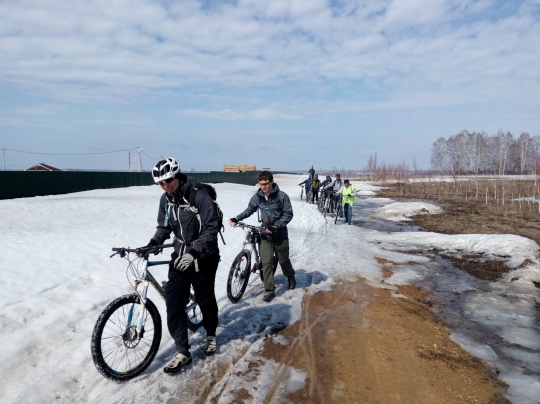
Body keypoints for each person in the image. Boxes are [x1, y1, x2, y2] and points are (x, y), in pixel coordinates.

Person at [142, 157, 221, 374]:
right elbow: (164, 227)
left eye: (168, 181)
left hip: (204, 257)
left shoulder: (199, 195)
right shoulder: (165, 200)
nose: (165, 186)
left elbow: (211, 229)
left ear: (177, 176)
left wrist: (194, 252)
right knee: (173, 303)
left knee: (205, 298)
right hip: (179, 256)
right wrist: (153, 243)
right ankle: (183, 352)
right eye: (160, 183)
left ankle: (211, 334)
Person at [229, 170, 296, 302]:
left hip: (280, 234)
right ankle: (269, 290)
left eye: (266, 183)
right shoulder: (258, 197)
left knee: (283, 261)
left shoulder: (282, 196)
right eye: (261, 184)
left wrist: (275, 226)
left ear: (271, 182)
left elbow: (288, 214)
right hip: (265, 235)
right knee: (266, 262)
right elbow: (249, 210)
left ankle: (290, 276)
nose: (264, 187)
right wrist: (237, 218)